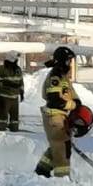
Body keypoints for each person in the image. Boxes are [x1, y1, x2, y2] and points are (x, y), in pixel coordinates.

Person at [36, 46, 80, 178]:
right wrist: (73, 105)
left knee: (57, 146)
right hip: (54, 117)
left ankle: (41, 172)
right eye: (68, 61)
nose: (70, 64)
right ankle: (62, 180)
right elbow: (55, 100)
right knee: (62, 149)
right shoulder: (55, 77)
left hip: (60, 117)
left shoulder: (62, 77)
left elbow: (71, 95)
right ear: (62, 61)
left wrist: (78, 104)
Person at [0, 51, 25, 133]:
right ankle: (2, 130)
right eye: (16, 59)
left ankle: (14, 128)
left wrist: (22, 92)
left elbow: (21, 81)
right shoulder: (2, 69)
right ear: (11, 59)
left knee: (15, 117)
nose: (17, 60)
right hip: (4, 97)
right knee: (3, 115)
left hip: (15, 98)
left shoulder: (18, 70)